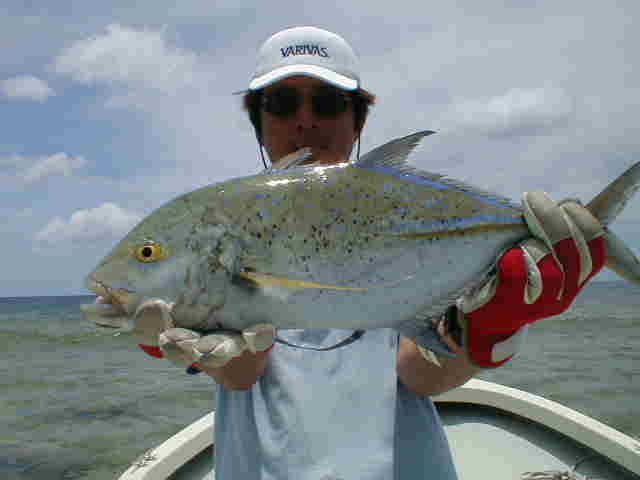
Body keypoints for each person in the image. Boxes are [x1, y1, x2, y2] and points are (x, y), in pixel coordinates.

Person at [139, 26, 606, 479]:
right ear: (258, 124)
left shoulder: (401, 215)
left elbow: (421, 375)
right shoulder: (227, 226)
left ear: (358, 121)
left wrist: (492, 325)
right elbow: (242, 374)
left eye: (327, 103)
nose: (305, 120)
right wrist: (189, 320)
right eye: (281, 103)